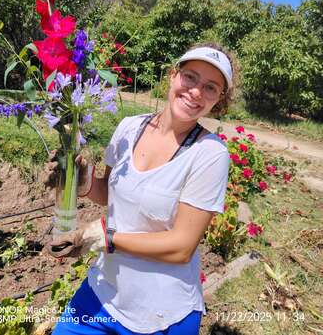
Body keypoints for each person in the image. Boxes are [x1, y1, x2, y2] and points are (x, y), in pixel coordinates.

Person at [46, 42, 236, 335]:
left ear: (218, 101)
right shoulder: (129, 127)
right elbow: (110, 193)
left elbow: (181, 247)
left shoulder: (210, 154)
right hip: (103, 294)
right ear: (174, 75)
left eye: (211, 88)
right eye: (190, 77)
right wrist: (83, 183)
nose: (196, 91)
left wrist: (105, 237)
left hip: (160, 315)